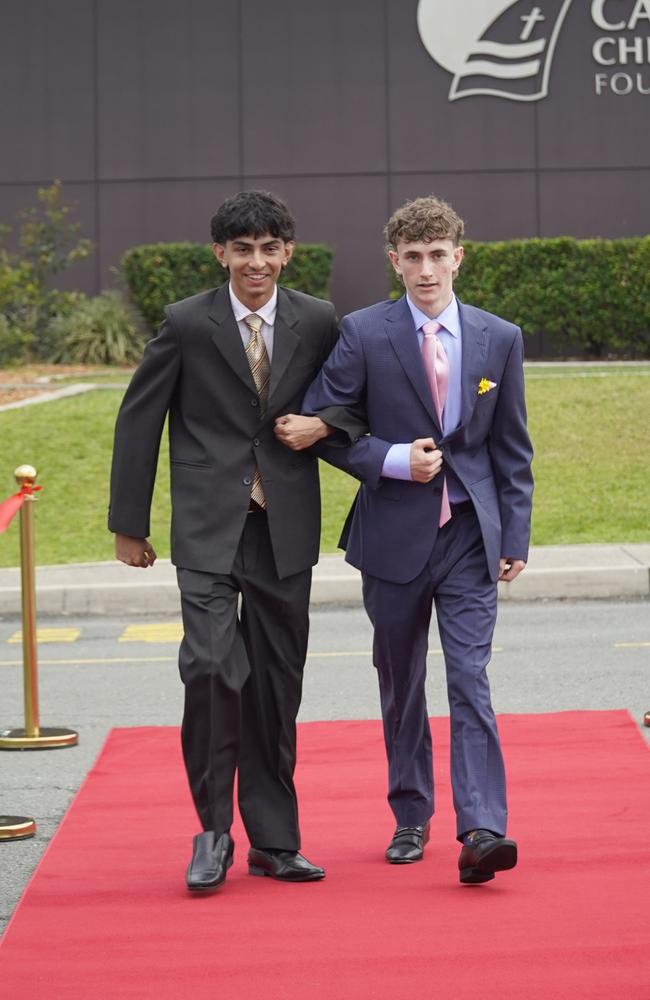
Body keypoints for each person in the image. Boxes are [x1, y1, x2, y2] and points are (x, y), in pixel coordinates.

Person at [109, 190, 363, 893]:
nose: (257, 261)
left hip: (283, 530)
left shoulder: (317, 320)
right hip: (208, 529)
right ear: (220, 253)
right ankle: (214, 832)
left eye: (269, 248)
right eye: (242, 249)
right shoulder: (188, 323)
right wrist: (130, 524)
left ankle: (276, 843)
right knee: (214, 671)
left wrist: (325, 426)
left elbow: (352, 397)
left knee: (277, 688)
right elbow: (140, 420)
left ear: (288, 251)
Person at [296, 195, 534, 884]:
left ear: (459, 256)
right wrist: (394, 459)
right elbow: (322, 422)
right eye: (413, 257)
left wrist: (513, 531)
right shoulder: (365, 332)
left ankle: (483, 826)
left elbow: (511, 449)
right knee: (401, 681)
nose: (426, 269)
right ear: (393, 262)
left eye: (438, 255)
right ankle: (410, 812)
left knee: (470, 678)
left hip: (468, 536)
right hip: (394, 536)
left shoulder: (500, 338)